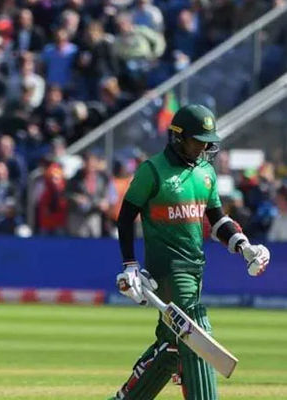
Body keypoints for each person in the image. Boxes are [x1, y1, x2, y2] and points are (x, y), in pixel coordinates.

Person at [109, 104, 271, 400]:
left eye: (208, 141)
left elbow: (218, 221)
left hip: (196, 268)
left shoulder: (206, 173)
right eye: (198, 140)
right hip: (168, 269)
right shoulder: (153, 170)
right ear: (177, 137)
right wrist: (130, 265)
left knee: (172, 345)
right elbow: (125, 217)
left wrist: (244, 246)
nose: (204, 147)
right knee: (196, 337)